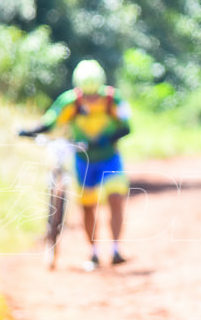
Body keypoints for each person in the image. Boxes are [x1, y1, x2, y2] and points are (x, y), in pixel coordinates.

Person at [19, 59, 132, 268]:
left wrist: (105, 139)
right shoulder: (69, 102)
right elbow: (50, 121)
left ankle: (116, 249)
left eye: (94, 94)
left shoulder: (113, 100)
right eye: (87, 95)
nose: (91, 98)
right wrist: (28, 131)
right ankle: (94, 252)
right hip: (83, 161)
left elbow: (126, 126)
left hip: (109, 158)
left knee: (116, 200)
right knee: (88, 207)